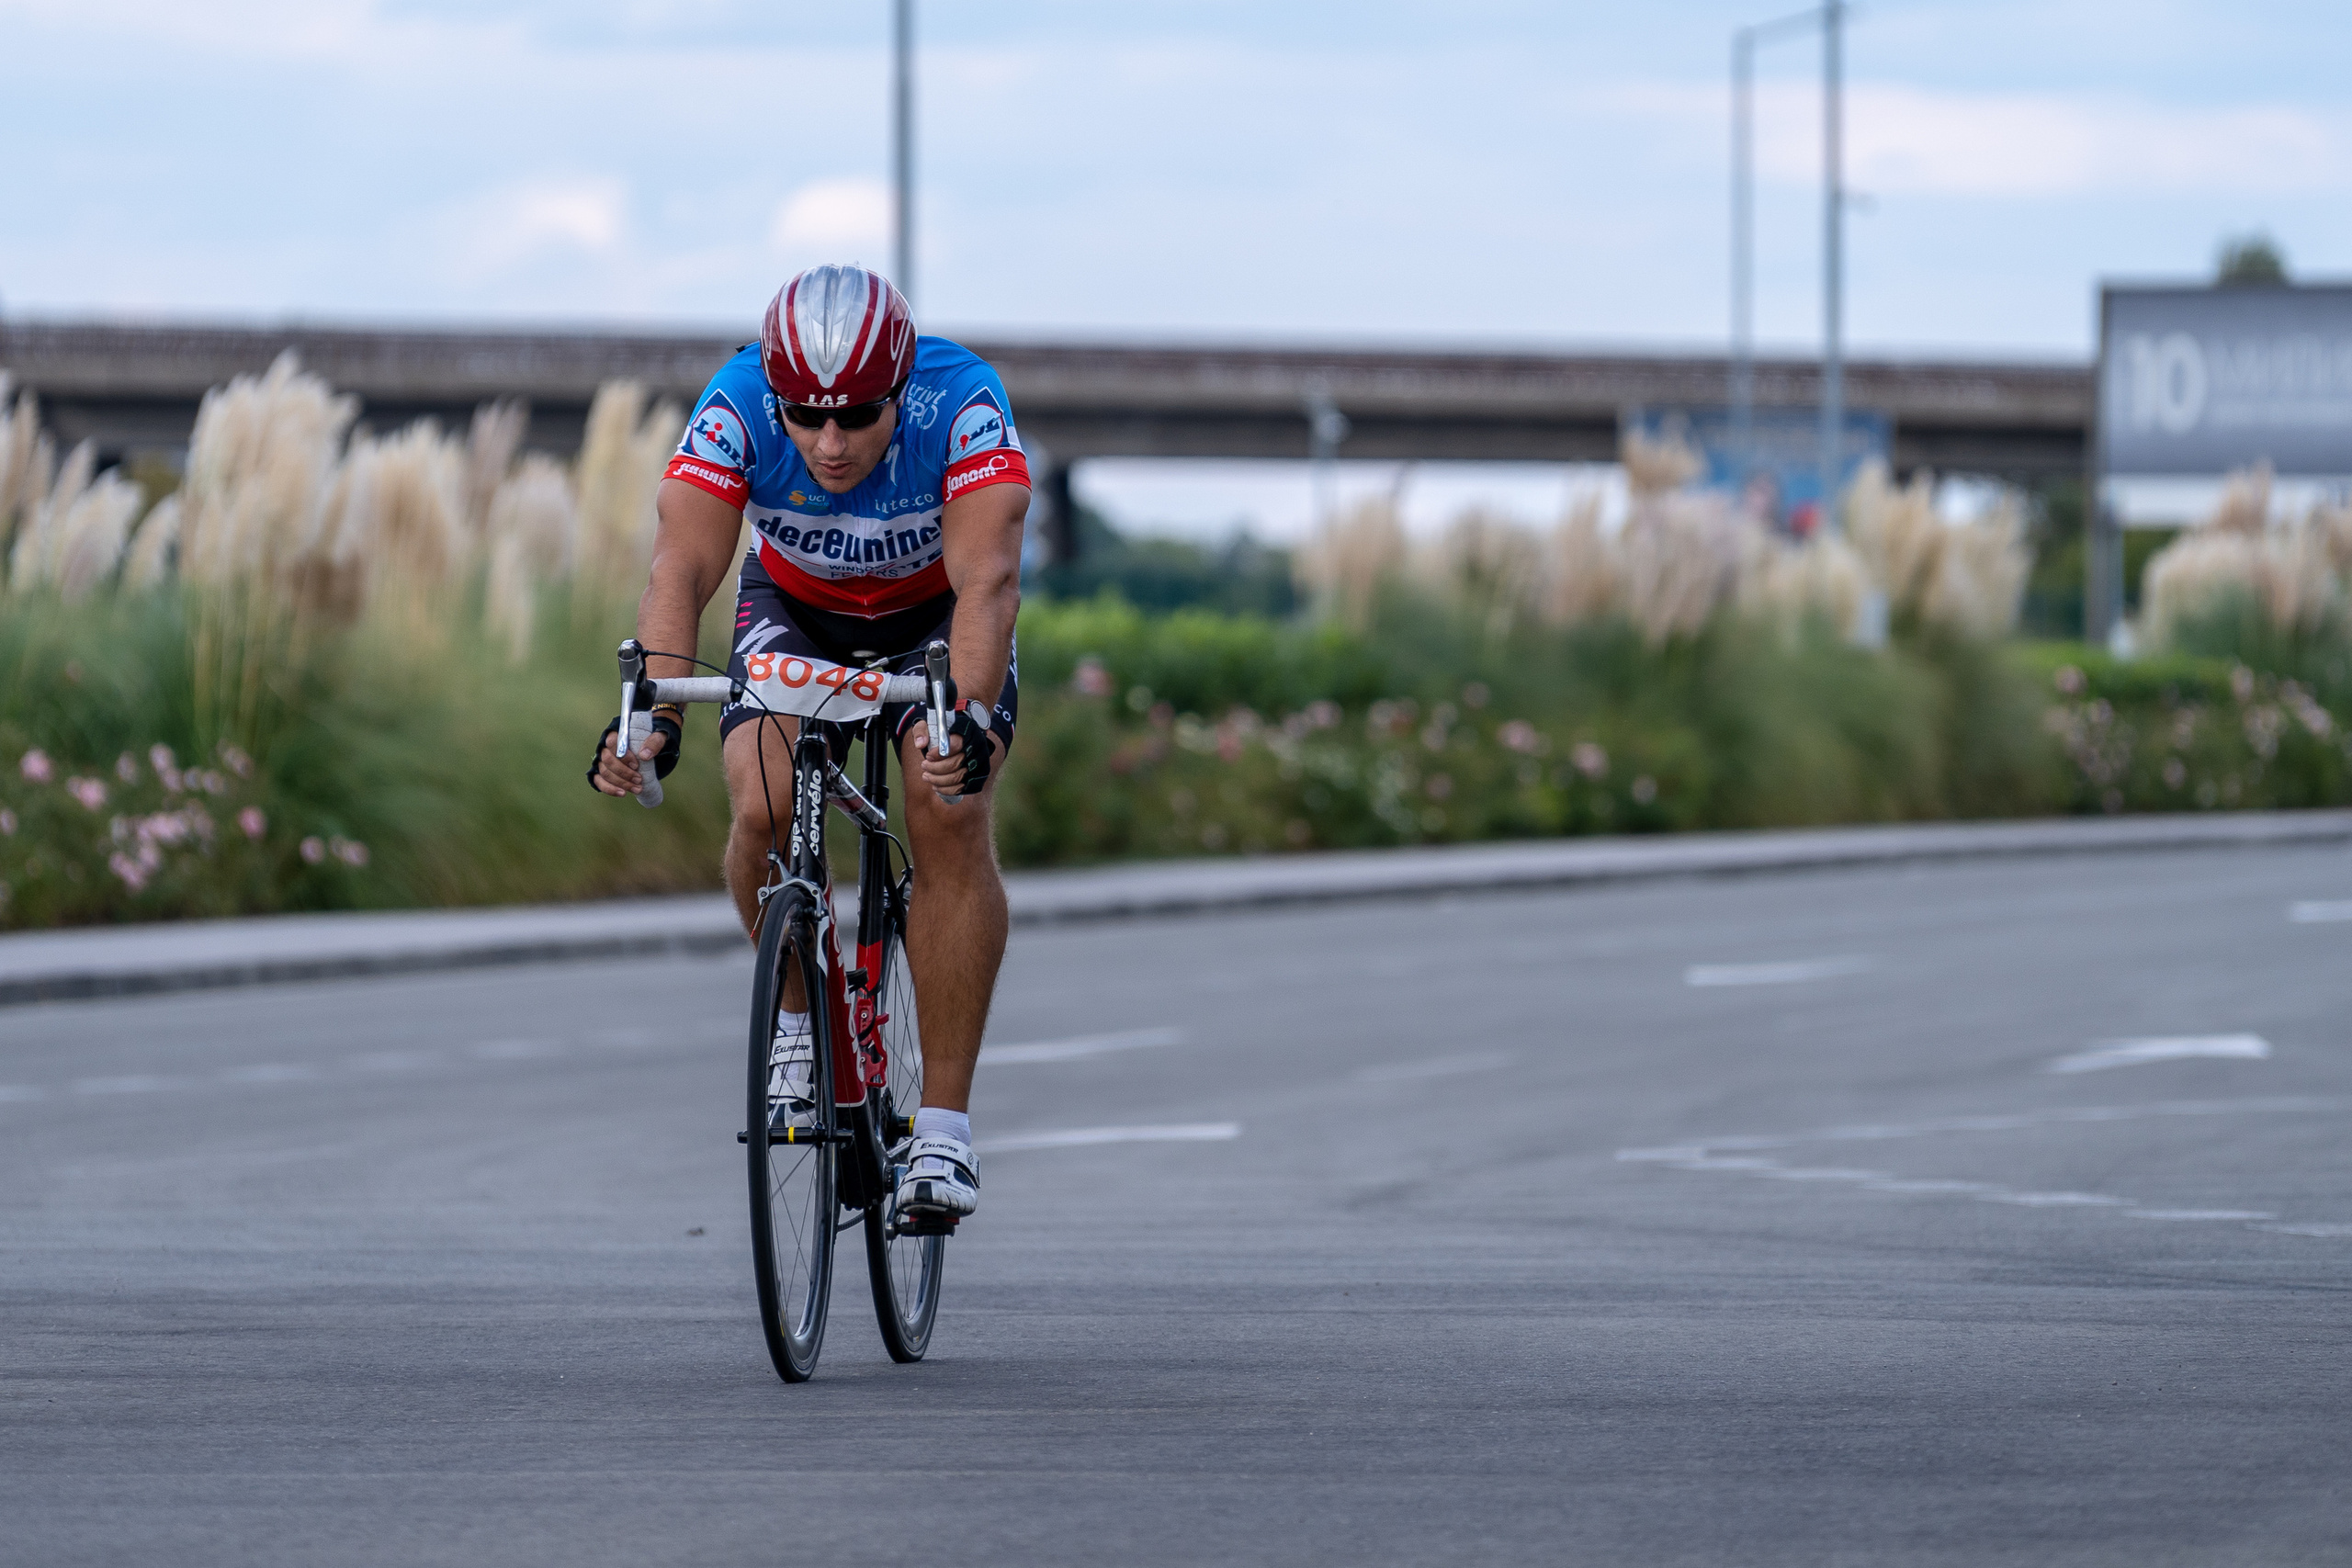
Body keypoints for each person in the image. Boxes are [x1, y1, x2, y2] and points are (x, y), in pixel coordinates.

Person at [589, 264, 1027, 1226]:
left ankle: (943, 1134)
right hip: (795, 612)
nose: (829, 443)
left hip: (933, 619)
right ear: (774, 392)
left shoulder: (962, 403)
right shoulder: (738, 399)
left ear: (900, 390)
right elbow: (683, 565)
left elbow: (988, 582)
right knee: (763, 807)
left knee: (942, 806)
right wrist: (653, 719)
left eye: (859, 415)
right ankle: (800, 1015)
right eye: (805, 416)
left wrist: (975, 722)